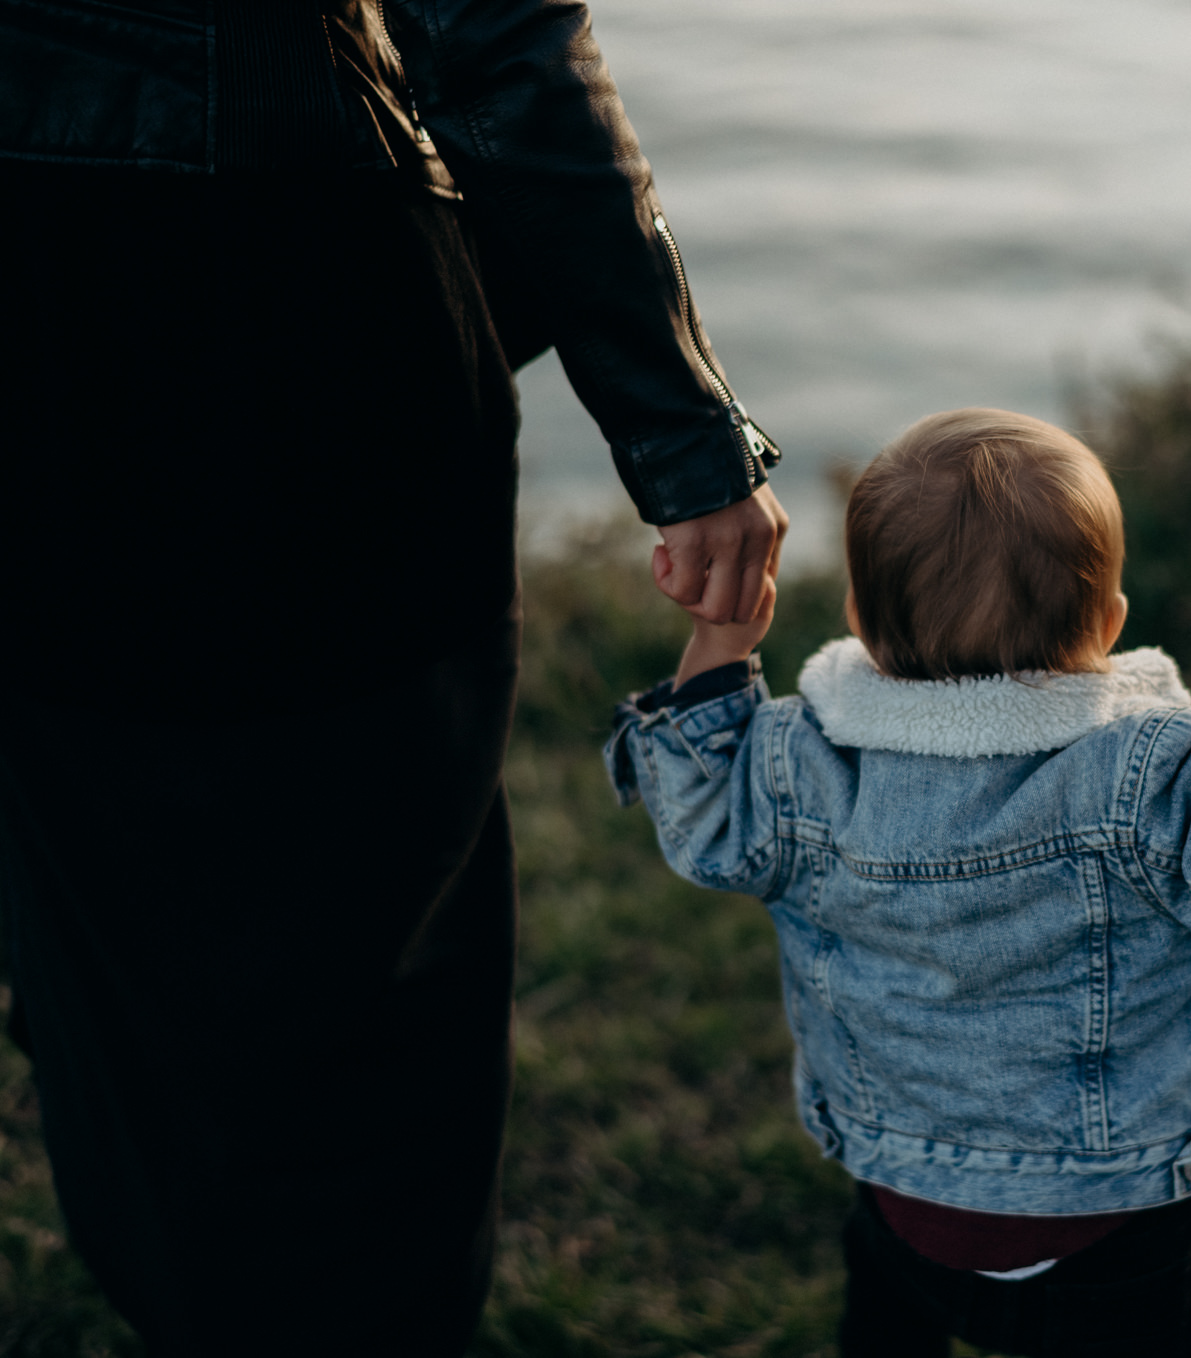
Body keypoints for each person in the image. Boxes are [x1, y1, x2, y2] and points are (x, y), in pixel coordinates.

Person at [0, 1, 784, 1352]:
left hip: (41, 329)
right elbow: (490, 43)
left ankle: (173, 1274)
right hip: (287, 325)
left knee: (94, 908)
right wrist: (683, 433)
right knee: (360, 970)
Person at [604, 408, 1191, 1357]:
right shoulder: (1146, 777)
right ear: (1111, 623)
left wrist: (719, 645)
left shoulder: (800, 762)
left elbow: (703, 814)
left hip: (903, 1195)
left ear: (858, 620)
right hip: (1112, 1217)